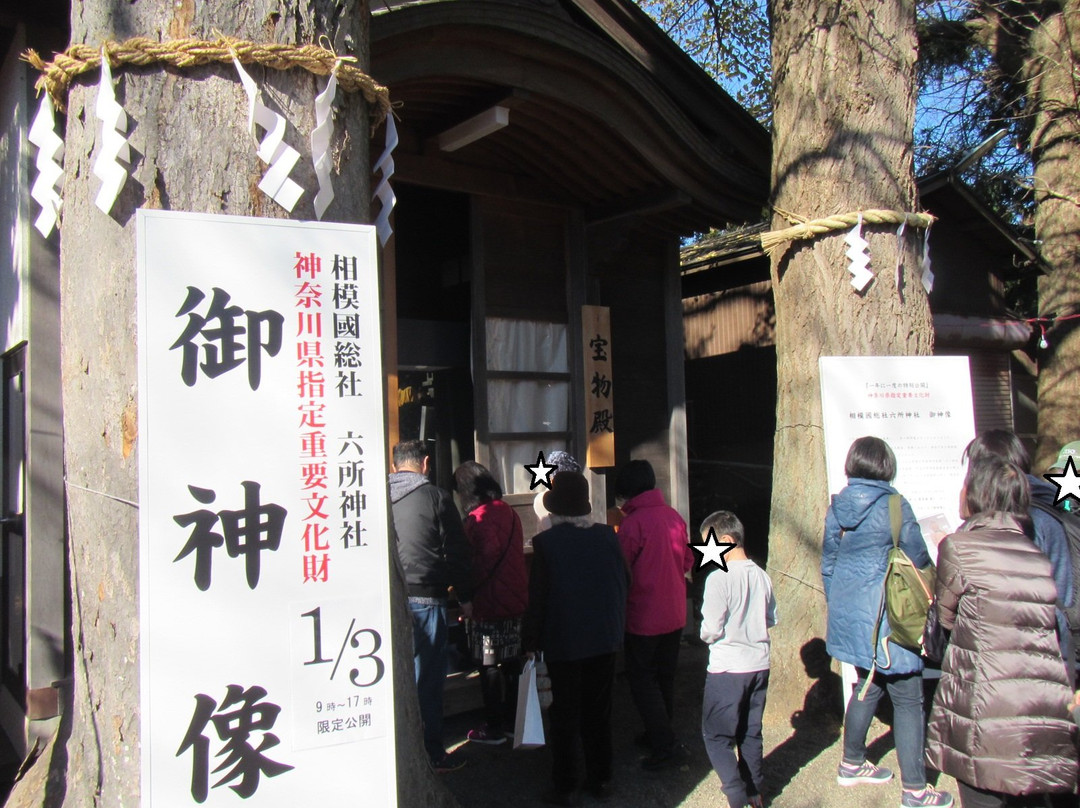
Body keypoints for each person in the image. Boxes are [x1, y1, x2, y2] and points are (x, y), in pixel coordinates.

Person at [926, 456, 1077, 807]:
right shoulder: (1035, 555)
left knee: (982, 792)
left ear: (977, 494)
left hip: (983, 700)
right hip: (1037, 704)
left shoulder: (958, 547)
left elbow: (946, 619)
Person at [821, 436, 952, 808]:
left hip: (853, 617)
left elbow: (828, 564)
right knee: (909, 697)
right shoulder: (895, 505)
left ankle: (851, 763)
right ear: (886, 465)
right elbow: (918, 557)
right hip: (891, 617)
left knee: (868, 683)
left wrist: (841, 607)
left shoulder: (837, 507)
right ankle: (916, 790)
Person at [523, 471, 629, 806]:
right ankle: (601, 779)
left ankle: (567, 785)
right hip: (604, 636)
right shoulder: (607, 537)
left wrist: (530, 641)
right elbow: (623, 581)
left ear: (555, 510)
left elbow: (538, 597)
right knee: (599, 711)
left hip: (564, 639)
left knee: (565, 715)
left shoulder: (546, 544)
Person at [962, 430, 1075, 683]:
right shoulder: (1050, 505)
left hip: (1025, 654)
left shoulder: (1020, 519)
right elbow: (1061, 590)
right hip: (1055, 642)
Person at [388, 440, 474, 772]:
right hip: (427, 597)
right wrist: (465, 597)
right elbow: (456, 551)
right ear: (425, 463)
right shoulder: (436, 497)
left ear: (395, 466)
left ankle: (399, 750)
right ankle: (432, 752)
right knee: (427, 679)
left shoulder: (378, 498)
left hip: (391, 599)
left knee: (396, 676)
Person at [615, 458, 694, 770]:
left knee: (643, 681)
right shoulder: (673, 517)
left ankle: (663, 742)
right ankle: (660, 734)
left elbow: (621, 570)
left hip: (643, 615)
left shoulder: (633, 524)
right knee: (664, 678)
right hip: (674, 612)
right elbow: (687, 561)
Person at [698, 510, 777, 808]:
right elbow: (772, 617)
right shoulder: (762, 575)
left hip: (727, 668)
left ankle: (735, 793)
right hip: (759, 663)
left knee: (716, 735)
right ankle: (754, 790)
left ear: (727, 541)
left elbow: (711, 629)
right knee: (750, 731)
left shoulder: (719, 579)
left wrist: (706, 633)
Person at [454, 461, 528, 745]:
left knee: (489, 663)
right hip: (515, 599)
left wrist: (465, 598)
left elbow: (473, 564)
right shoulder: (510, 512)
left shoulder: (476, 521)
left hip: (487, 604)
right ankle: (512, 722)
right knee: (512, 662)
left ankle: (494, 727)